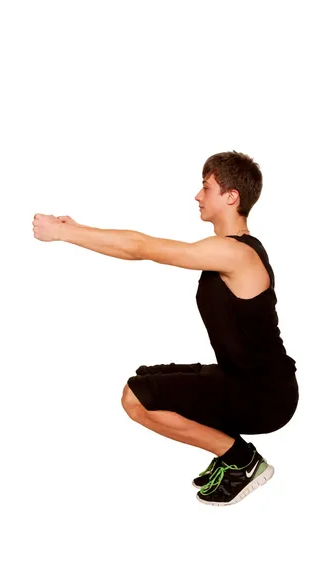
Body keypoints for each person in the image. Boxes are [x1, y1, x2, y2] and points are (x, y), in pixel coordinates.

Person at [32, 150, 299, 507]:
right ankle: (231, 456)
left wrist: (67, 233)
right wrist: (75, 228)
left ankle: (241, 460)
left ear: (231, 197)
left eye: (207, 188)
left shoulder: (236, 254)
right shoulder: (228, 250)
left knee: (136, 397)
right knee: (148, 377)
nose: (198, 196)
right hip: (244, 380)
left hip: (264, 396)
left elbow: (141, 247)